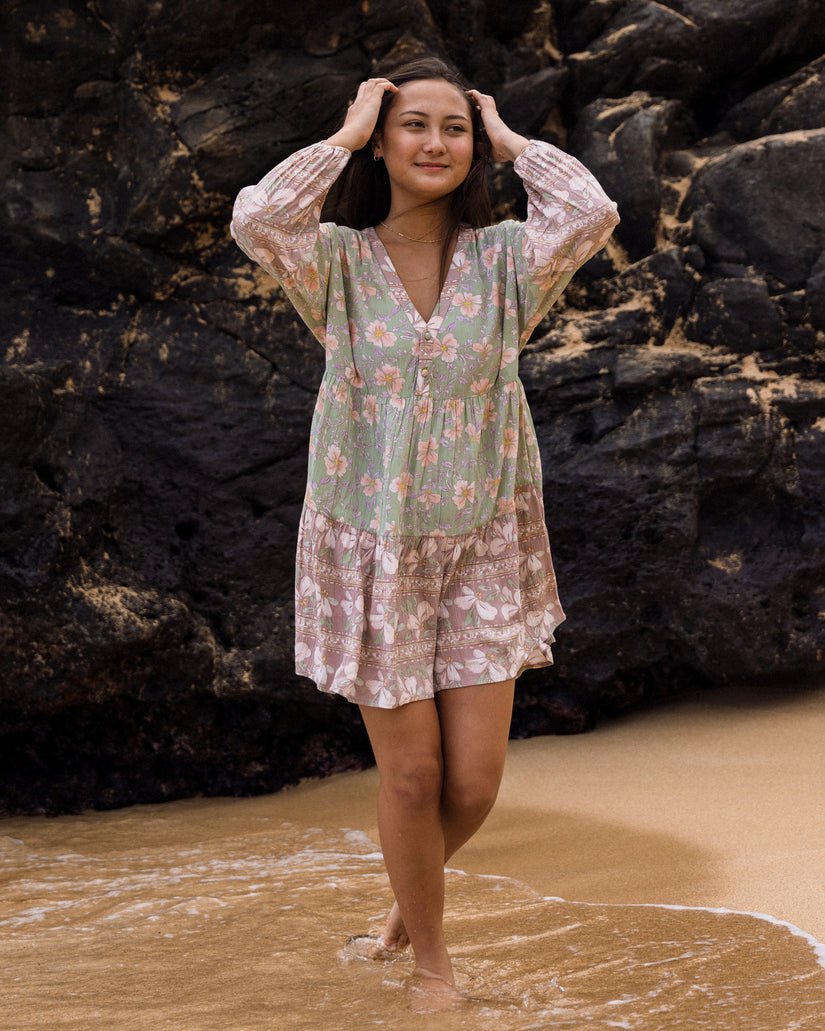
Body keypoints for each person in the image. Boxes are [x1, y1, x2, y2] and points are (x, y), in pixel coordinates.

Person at [231, 56, 618, 1006]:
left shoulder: (507, 261)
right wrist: (345, 133)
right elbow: (258, 219)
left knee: (473, 784)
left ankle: (406, 900)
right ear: (382, 140)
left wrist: (513, 141)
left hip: (484, 538)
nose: (435, 143)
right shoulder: (334, 263)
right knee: (411, 777)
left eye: (454, 128)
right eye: (414, 125)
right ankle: (429, 962)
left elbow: (590, 213)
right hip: (371, 549)